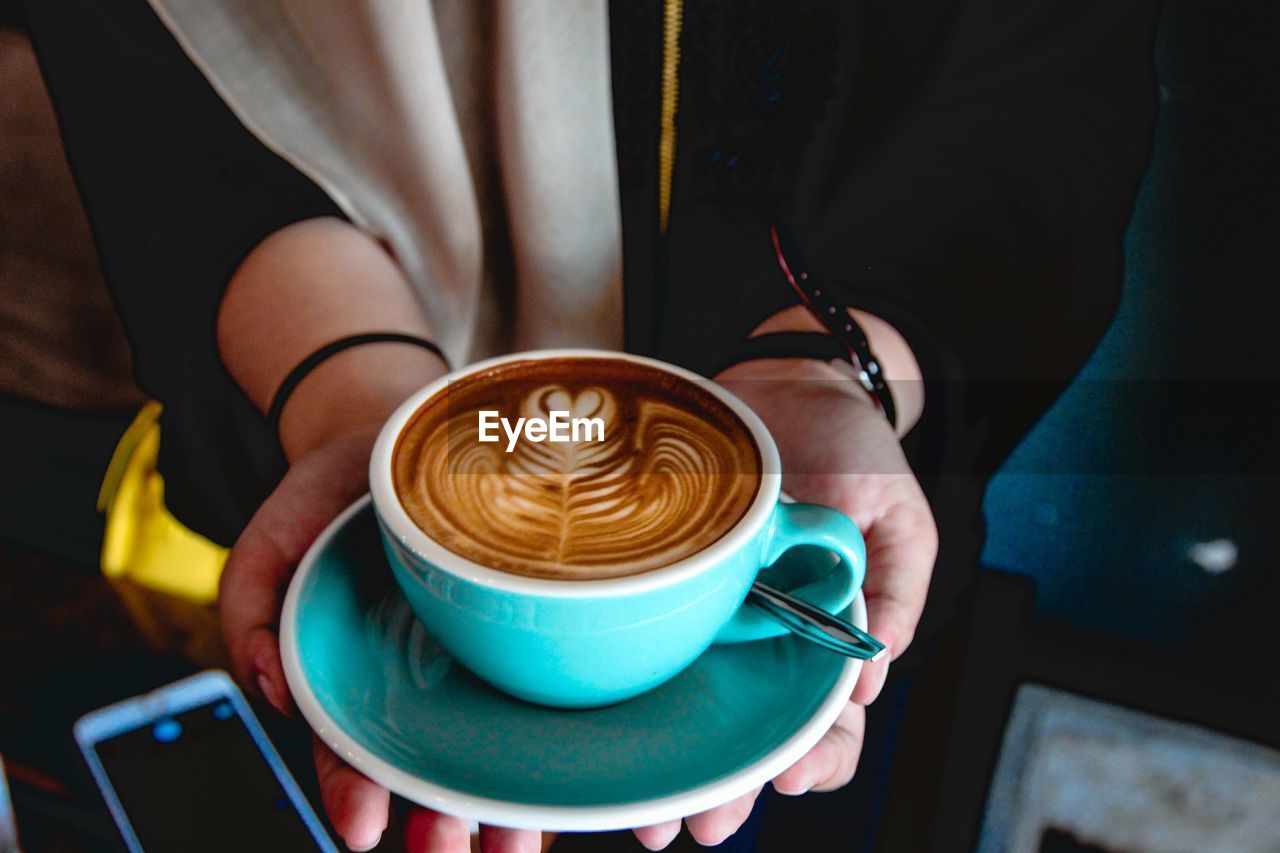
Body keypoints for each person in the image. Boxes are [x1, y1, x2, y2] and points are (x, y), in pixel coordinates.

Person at [25, 0, 1157, 849]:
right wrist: (348, 394)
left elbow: (1048, 81)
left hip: (839, 423)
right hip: (319, 447)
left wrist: (828, 369)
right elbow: (144, 76)